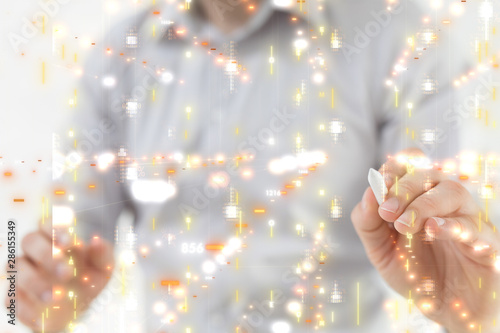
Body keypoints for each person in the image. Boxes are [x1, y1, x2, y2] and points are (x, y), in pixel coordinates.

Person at [8, 0, 500, 332]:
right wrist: (31, 300)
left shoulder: (405, 38)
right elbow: (56, 261)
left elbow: (457, 259)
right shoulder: (119, 55)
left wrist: (480, 313)